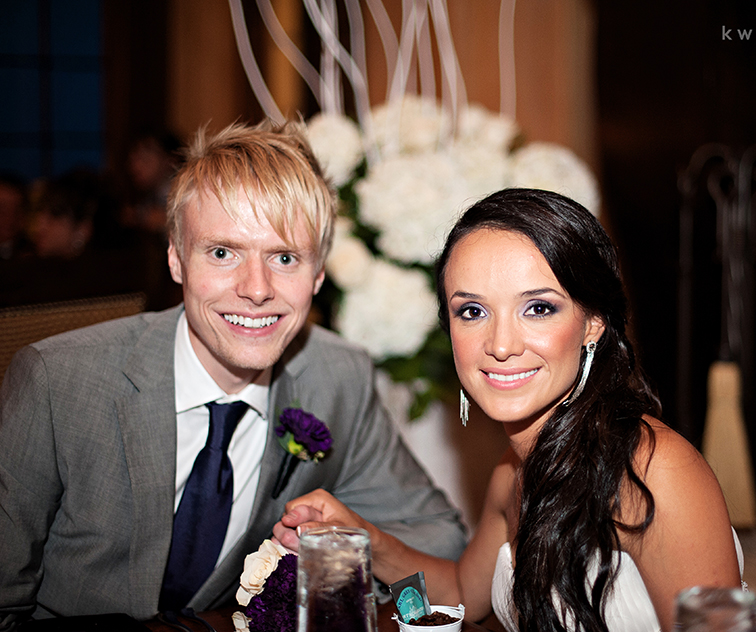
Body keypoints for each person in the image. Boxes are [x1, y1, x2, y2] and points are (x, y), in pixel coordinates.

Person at [0, 121, 466, 629]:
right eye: (223, 253)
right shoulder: (56, 384)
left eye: (284, 257)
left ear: (318, 274)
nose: (257, 289)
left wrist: (345, 547)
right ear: (177, 258)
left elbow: (441, 538)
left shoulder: (337, 375)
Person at [275, 188, 744, 632]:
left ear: (593, 322)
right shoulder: (512, 472)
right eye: (472, 312)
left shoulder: (654, 470)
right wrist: (360, 535)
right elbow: (463, 595)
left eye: (537, 308)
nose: (500, 345)